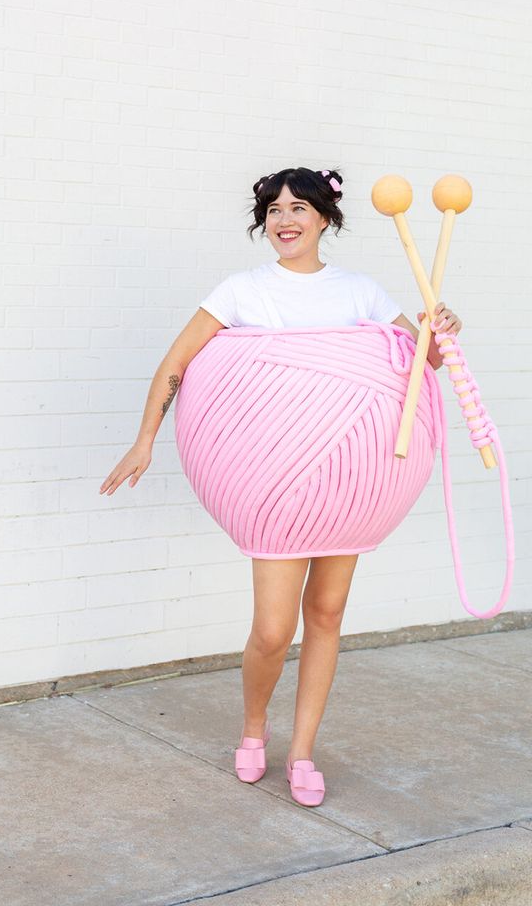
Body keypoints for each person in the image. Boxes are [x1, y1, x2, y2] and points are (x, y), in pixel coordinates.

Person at [99, 166, 462, 807]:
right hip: (275, 483)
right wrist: (145, 438)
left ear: (326, 218)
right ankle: (252, 731)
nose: (284, 219)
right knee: (272, 629)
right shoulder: (241, 291)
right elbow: (176, 363)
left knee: (325, 616)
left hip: (349, 479)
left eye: (299, 207)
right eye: (273, 209)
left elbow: (421, 361)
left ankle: (302, 752)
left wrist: (441, 329)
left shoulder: (360, 292)